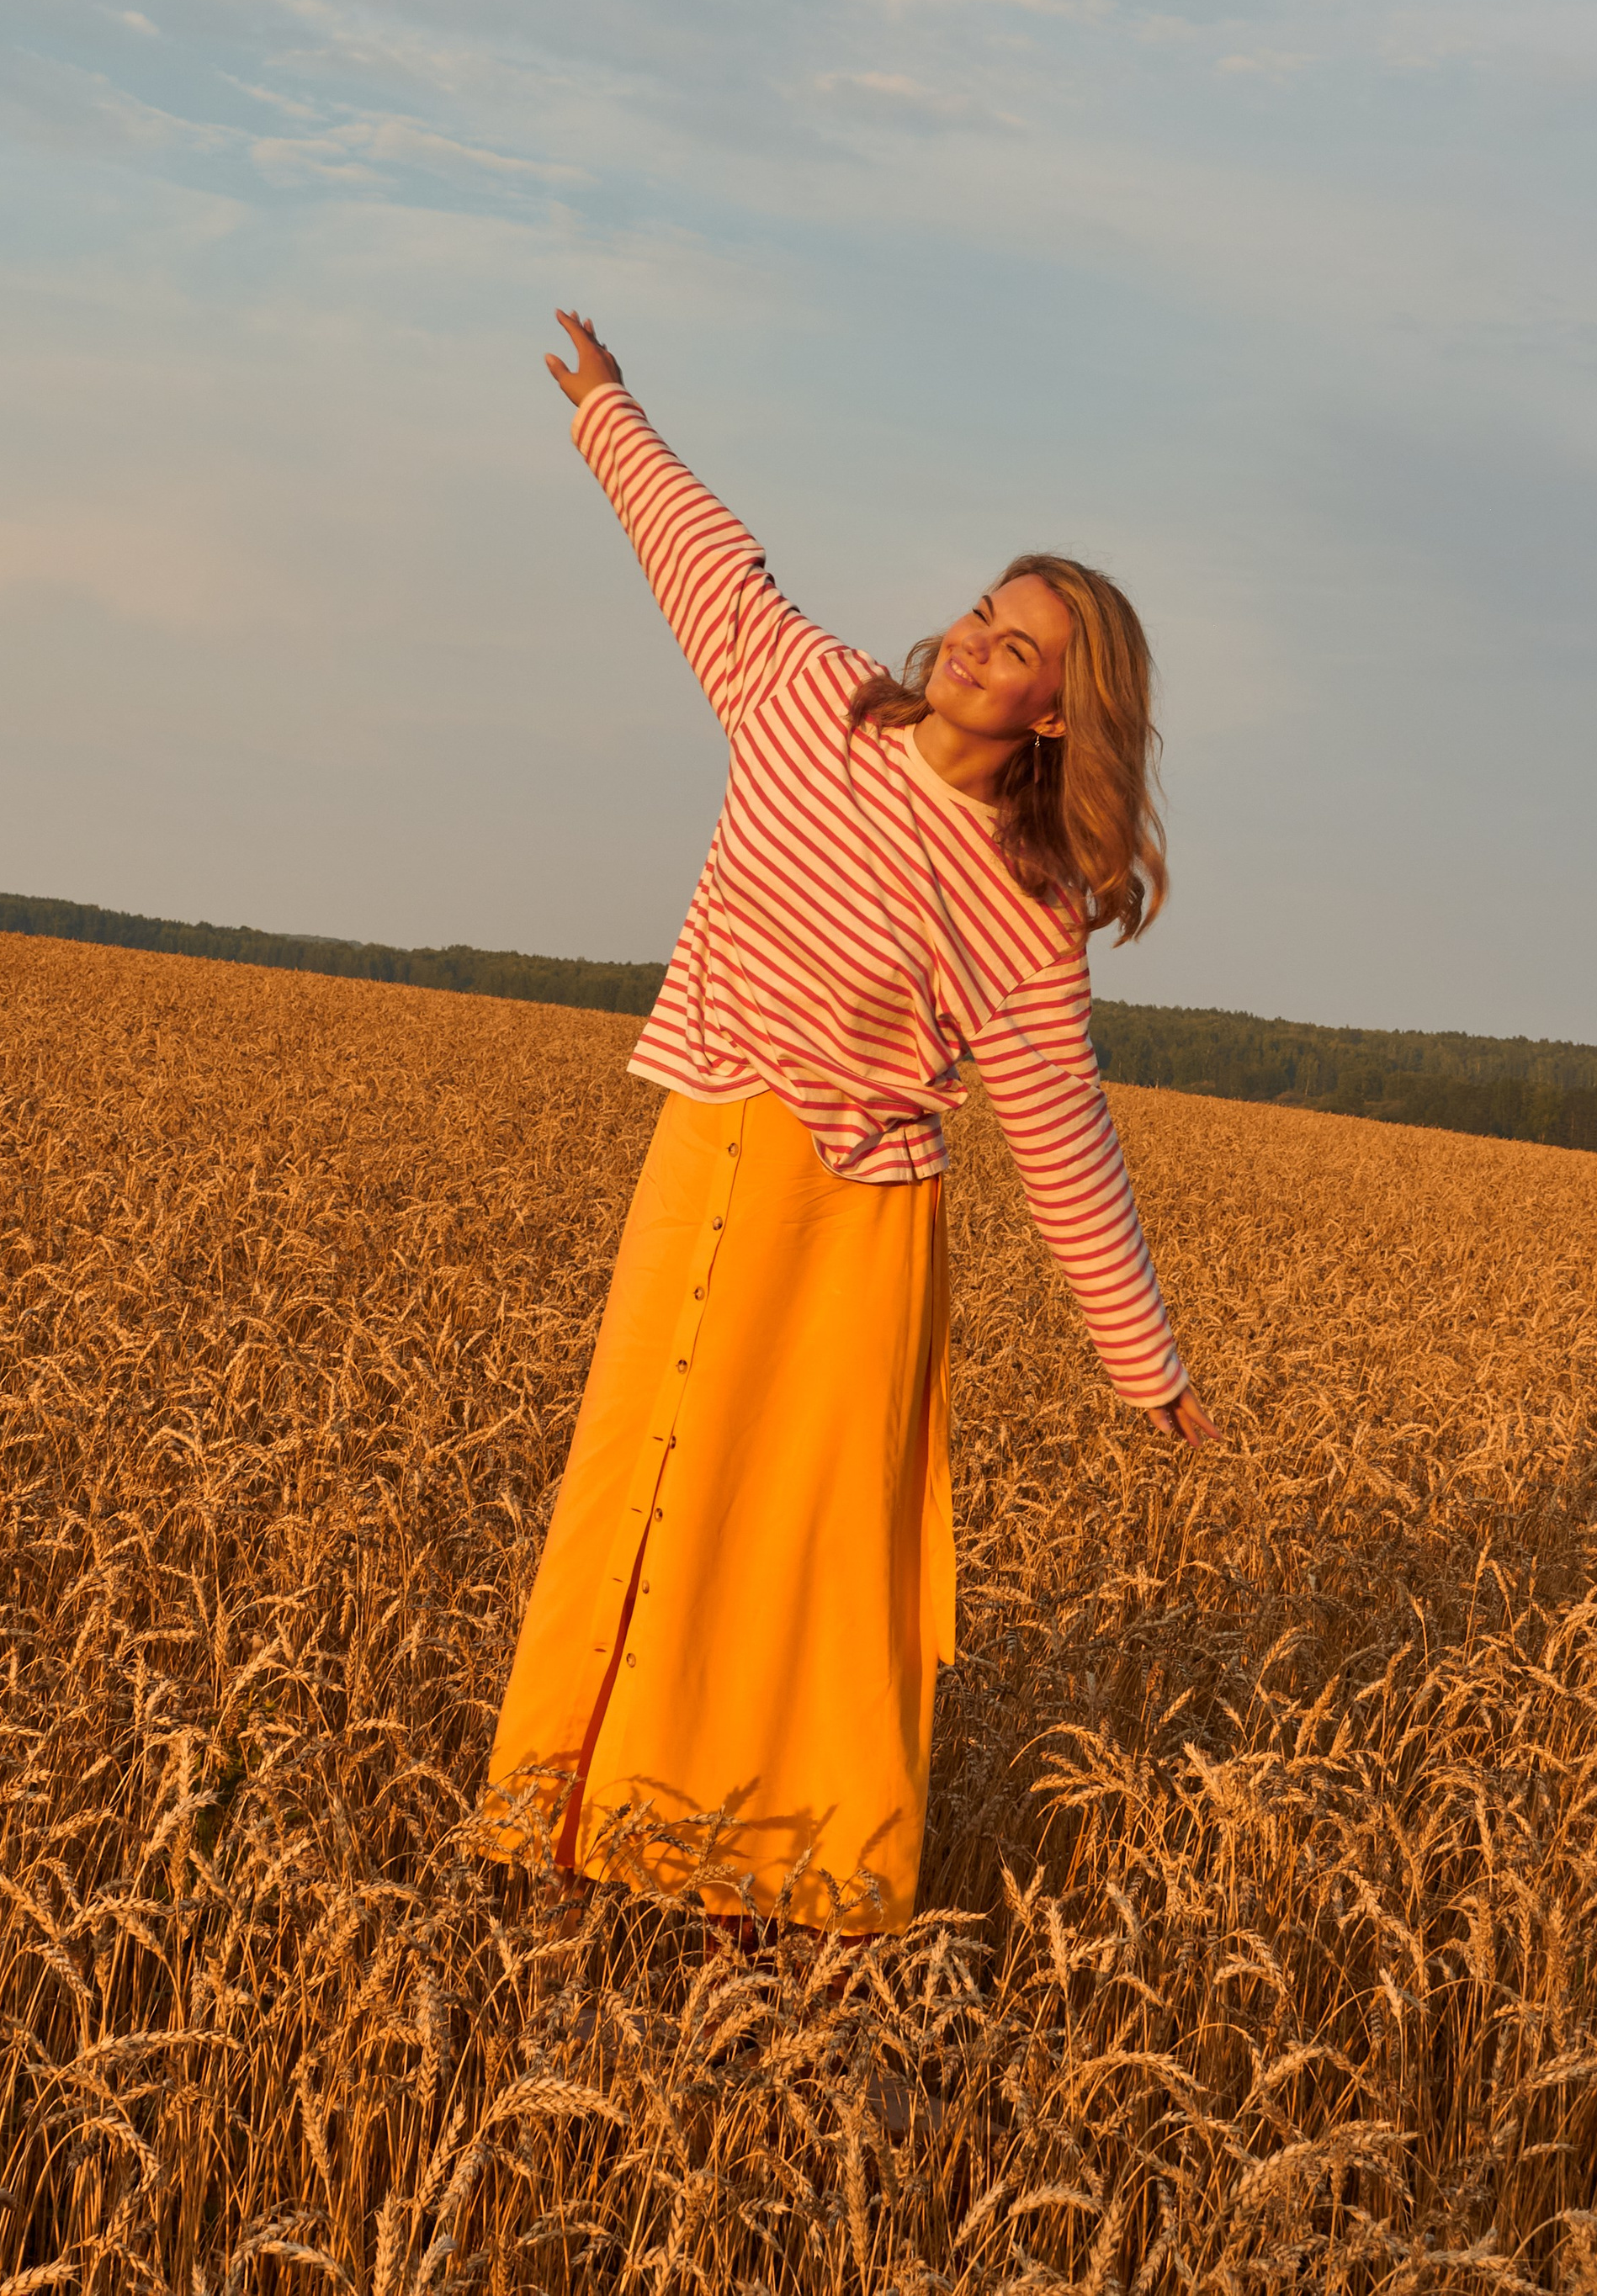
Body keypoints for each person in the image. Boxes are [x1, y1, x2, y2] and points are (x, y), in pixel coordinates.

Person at [484, 310, 1214, 1938]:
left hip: (850, 1227)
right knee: (637, 1479)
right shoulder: (808, 698)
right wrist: (611, 412)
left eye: (1018, 646)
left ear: (1054, 714)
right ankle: (576, 1808)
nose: (974, 641)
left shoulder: (1030, 904)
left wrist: (1143, 1358)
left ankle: (783, 1869)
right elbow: (711, 564)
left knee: (792, 1552)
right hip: (702, 1158)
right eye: (979, 611)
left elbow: (1062, 1139)